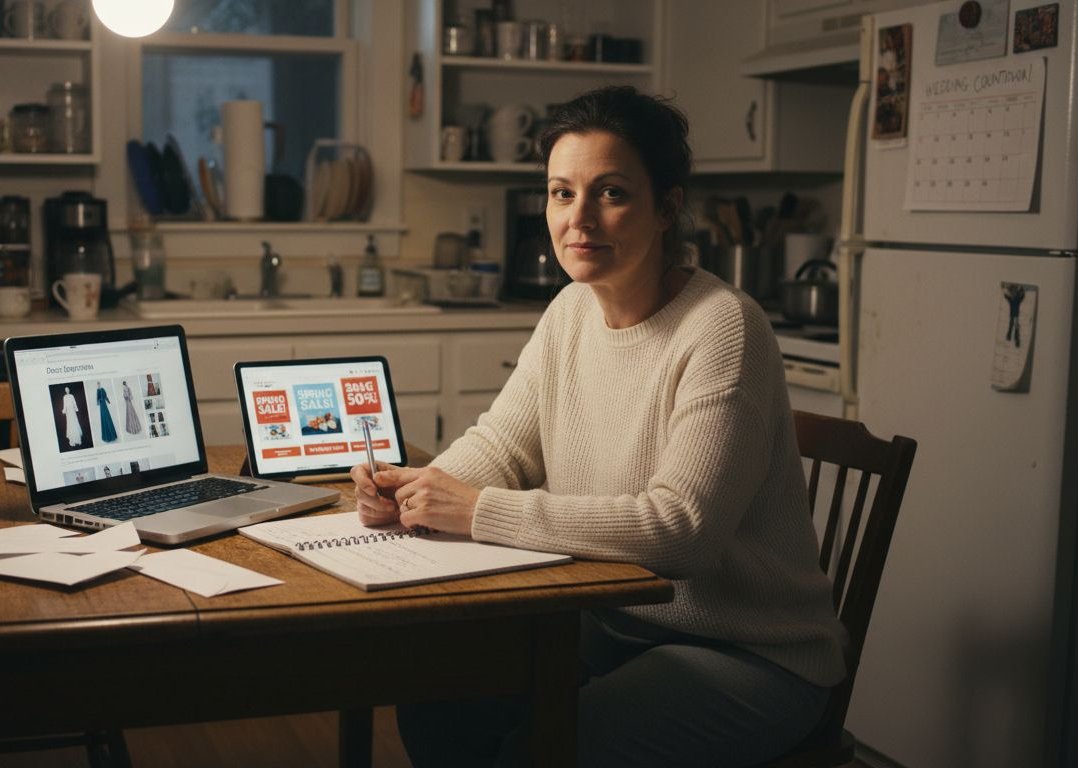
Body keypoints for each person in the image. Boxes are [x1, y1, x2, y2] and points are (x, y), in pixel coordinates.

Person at [351, 86, 846, 768]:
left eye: (610, 192)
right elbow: (503, 443)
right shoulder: (571, 309)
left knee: (543, 752)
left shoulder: (724, 327)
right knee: (437, 698)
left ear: (667, 206)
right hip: (611, 625)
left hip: (751, 654)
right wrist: (419, 486)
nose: (578, 219)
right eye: (561, 193)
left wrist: (478, 511)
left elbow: (682, 534)